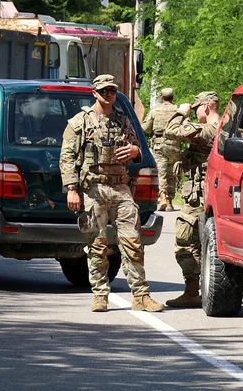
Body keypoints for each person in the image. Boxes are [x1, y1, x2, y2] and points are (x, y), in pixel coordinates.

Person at [59, 74, 165, 313]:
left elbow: (138, 149)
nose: (109, 94)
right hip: (93, 189)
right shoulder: (80, 122)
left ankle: (141, 295)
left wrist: (135, 151)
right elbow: (67, 159)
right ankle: (100, 294)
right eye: (105, 91)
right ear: (95, 93)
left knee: (133, 242)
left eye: (113, 90)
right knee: (97, 245)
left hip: (120, 188)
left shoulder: (123, 120)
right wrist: (72, 189)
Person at [163, 91, 220, 308]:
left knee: (186, 242)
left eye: (197, 108)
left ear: (206, 106)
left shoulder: (209, 130)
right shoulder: (228, 127)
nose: (195, 112)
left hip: (200, 199)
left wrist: (181, 111)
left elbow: (171, 131)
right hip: (211, 195)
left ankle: (192, 291)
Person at [141, 87, 182, 212]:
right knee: (171, 174)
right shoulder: (178, 111)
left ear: (162, 98)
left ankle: (163, 197)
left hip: (159, 145)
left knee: (161, 173)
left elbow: (146, 128)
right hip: (175, 145)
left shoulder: (155, 111)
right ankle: (170, 202)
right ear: (172, 98)